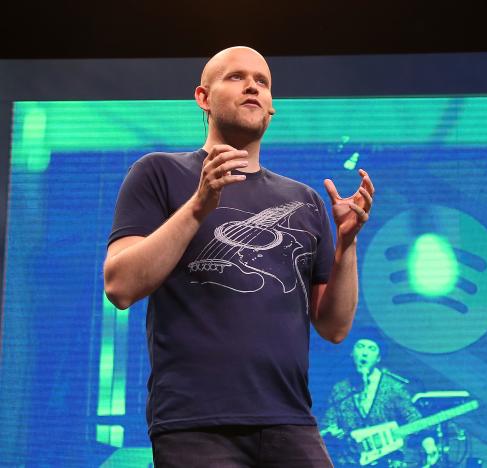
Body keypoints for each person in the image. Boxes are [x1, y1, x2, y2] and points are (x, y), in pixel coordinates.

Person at [103, 46, 374, 467]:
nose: (252, 86)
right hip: (195, 425)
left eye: (262, 82)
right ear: (203, 98)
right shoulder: (158, 173)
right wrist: (198, 205)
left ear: (271, 109)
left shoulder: (303, 200)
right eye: (235, 77)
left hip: (290, 420)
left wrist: (347, 244)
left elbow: (334, 327)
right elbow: (120, 286)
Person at [321, 336, 440, 467]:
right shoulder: (340, 389)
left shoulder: (393, 387)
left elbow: (413, 418)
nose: (364, 353)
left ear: (378, 358)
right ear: (351, 353)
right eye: (360, 347)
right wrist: (330, 431)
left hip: (387, 461)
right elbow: (328, 422)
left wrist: (429, 444)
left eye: (371, 349)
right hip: (349, 461)